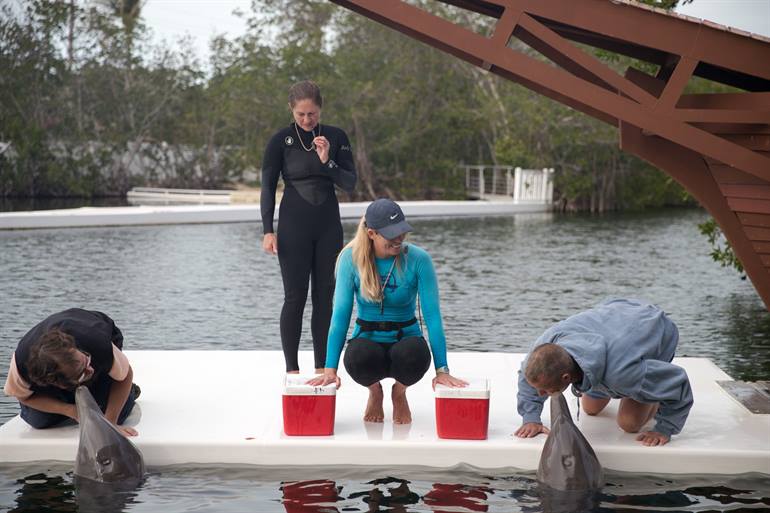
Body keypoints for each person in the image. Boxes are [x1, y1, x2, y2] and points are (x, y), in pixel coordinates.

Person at [310, 199, 467, 424]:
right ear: (372, 233)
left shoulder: (419, 259)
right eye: (391, 235)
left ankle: (399, 393)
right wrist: (329, 368)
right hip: (368, 339)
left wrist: (442, 369)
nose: (399, 239)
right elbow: (340, 316)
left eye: (401, 231)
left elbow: (433, 317)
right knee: (358, 357)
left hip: (405, 339)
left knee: (415, 353)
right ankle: (375, 392)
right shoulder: (350, 259)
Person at [261, 80, 357, 374]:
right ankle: (292, 369)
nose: (306, 120)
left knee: (325, 297)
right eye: (301, 114)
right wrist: (268, 229)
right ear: (291, 109)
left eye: (312, 114)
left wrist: (327, 160)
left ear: (320, 109)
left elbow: (350, 184)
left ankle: (322, 368)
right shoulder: (280, 141)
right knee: (295, 297)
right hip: (293, 226)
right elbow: (267, 187)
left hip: (328, 226)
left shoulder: (335, 136)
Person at [515, 298, 691, 446]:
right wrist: (531, 418)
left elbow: (678, 382)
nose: (540, 394)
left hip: (655, 328)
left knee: (629, 423)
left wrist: (664, 429)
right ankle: (632, 388)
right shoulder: (546, 345)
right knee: (591, 408)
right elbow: (528, 378)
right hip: (616, 314)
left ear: (566, 377)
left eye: (545, 389)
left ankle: (652, 395)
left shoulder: (621, 374)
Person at [3, 308, 139, 437]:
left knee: (108, 415)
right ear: (60, 384)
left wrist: (110, 424)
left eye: (86, 361)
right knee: (38, 420)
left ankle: (130, 391)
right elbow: (23, 397)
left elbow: (126, 375)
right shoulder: (22, 364)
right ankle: (72, 391)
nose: (90, 369)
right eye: (83, 372)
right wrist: (69, 410)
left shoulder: (97, 343)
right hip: (57, 377)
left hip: (90, 334)